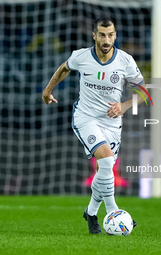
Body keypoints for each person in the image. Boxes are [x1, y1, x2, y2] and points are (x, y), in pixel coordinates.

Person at [42, 17, 146, 234]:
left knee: (104, 170)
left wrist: (124, 106)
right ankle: (113, 212)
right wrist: (48, 90)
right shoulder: (81, 56)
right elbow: (64, 68)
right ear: (94, 36)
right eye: (102, 35)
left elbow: (143, 92)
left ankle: (90, 213)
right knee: (107, 160)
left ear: (115, 36)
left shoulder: (125, 61)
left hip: (112, 123)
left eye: (110, 35)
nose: (106, 39)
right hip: (85, 118)